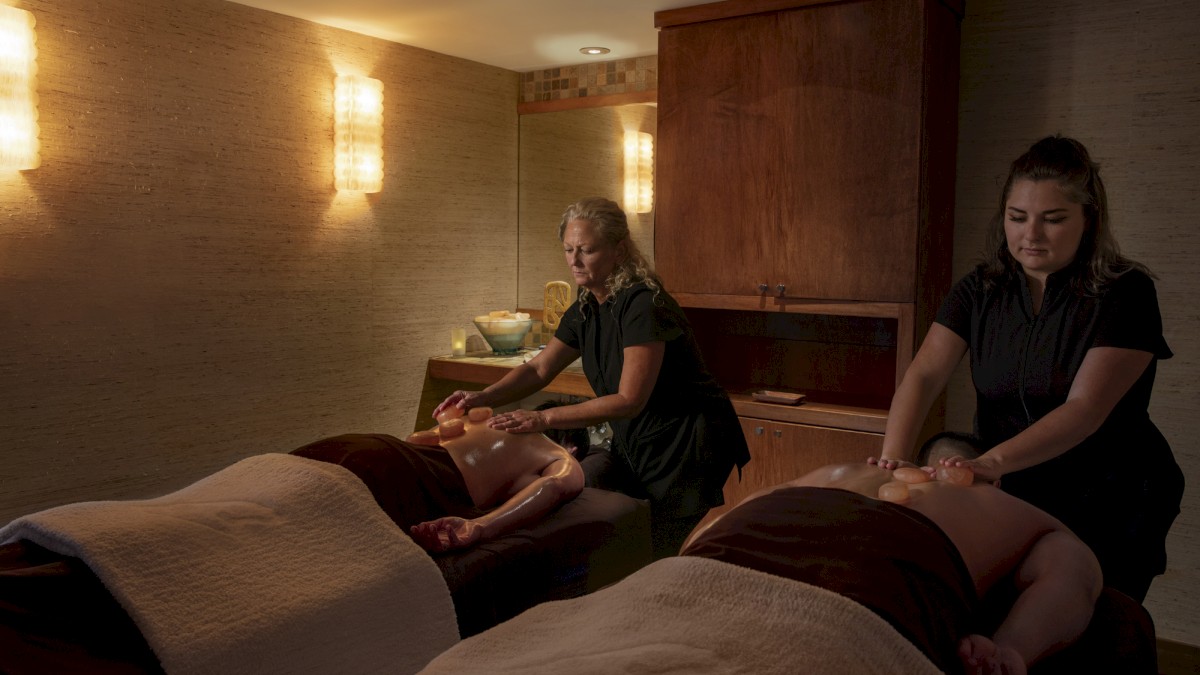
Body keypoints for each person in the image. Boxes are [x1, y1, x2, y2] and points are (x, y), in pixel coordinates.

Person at [870, 135, 1183, 602]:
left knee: (1086, 621)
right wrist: (892, 461)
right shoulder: (981, 289)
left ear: (1088, 220)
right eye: (1018, 218)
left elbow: (1085, 408)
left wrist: (988, 463)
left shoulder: (1125, 293)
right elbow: (925, 374)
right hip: (1012, 484)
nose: (1030, 234)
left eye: (1053, 219)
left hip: (1111, 493)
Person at [434, 197, 750, 560]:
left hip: (687, 444)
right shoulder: (586, 306)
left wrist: (541, 418)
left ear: (619, 250)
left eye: (586, 250)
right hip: (638, 438)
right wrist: (479, 397)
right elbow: (539, 369)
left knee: (653, 552)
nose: (574, 260)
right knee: (599, 523)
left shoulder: (643, 305)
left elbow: (629, 399)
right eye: (569, 249)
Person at [684, 433, 1104, 675]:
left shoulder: (840, 471)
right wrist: (1010, 649)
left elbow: (735, 513)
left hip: (745, 533)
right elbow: (1076, 570)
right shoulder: (992, 499)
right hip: (875, 556)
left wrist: (682, 567)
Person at [292, 404, 583, 553]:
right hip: (412, 476)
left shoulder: (488, 419)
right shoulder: (560, 454)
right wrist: (479, 526)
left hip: (368, 445)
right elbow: (555, 485)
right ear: (575, 447)